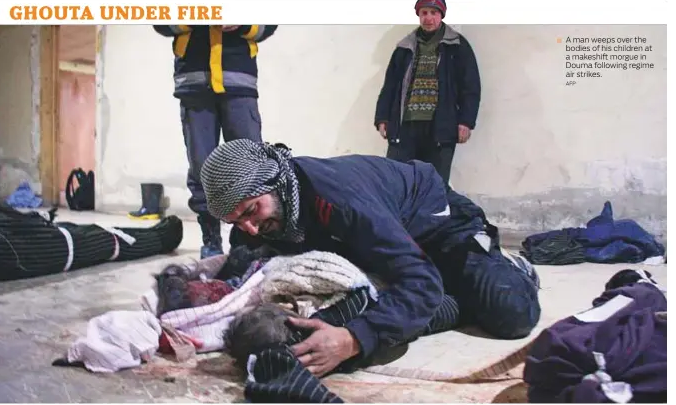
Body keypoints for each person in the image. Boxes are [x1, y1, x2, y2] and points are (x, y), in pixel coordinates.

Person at [199, 139, 541, 378]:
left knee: (508, 312)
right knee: (388, 307)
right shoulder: (254, 217)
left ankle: (508, 267)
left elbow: (419, 284)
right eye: (235, 221)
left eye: (251, 211)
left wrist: (352, 339)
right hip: (382, 238)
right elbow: (239, 262)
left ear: (276, 183)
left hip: (438, 228)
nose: (250, 228)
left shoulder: (341, 201)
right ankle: (446, 290)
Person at [153, 24, 279, 258]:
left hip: (239, 82)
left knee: (251, 166)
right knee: (202, 167)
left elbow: (268, 21)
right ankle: (210, 238)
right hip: (194, 83)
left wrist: (243, 22)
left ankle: (249, 239)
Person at [374, 0, 481, 185]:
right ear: (418, 14)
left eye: (433, 12)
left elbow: (471, 87)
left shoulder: (457, 46)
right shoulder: (404, 48)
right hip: (405, 127)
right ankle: (399, 218)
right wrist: (382, 118)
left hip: (440, 128)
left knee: (434, 186)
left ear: (441, 14)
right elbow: (390, 86)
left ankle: (434, 218)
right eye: (424, 13)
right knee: (397, 183)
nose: (428, 18)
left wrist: (466, 121)